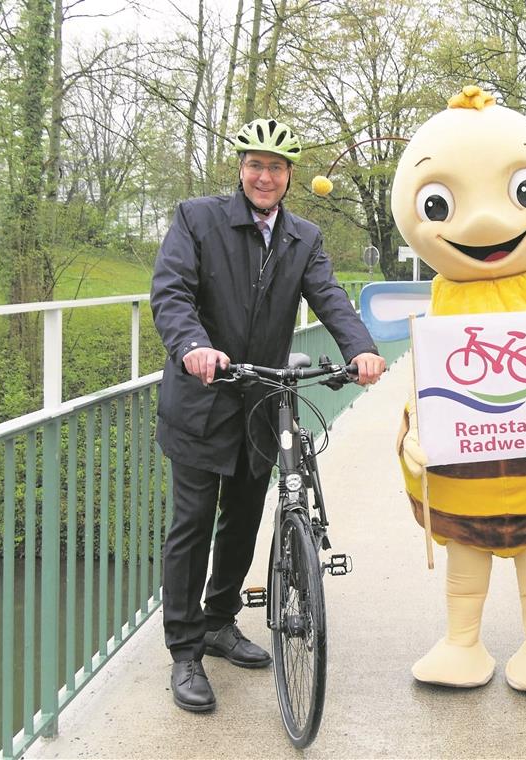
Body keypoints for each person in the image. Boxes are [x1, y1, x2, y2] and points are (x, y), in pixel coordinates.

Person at [150, 117, 386, 713]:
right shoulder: (197, 219)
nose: (264, 176)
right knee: (192, 526)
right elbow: (171, 292)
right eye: (255, 164)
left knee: (243, 519)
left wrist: (360, 347)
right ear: (241, 168)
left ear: (289, 177)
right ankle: (184, 651)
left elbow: (329, 295)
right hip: (203, 398)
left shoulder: (302, 237)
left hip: (260, 399)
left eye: (276, 168)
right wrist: (192, 346)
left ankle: (219, 621)